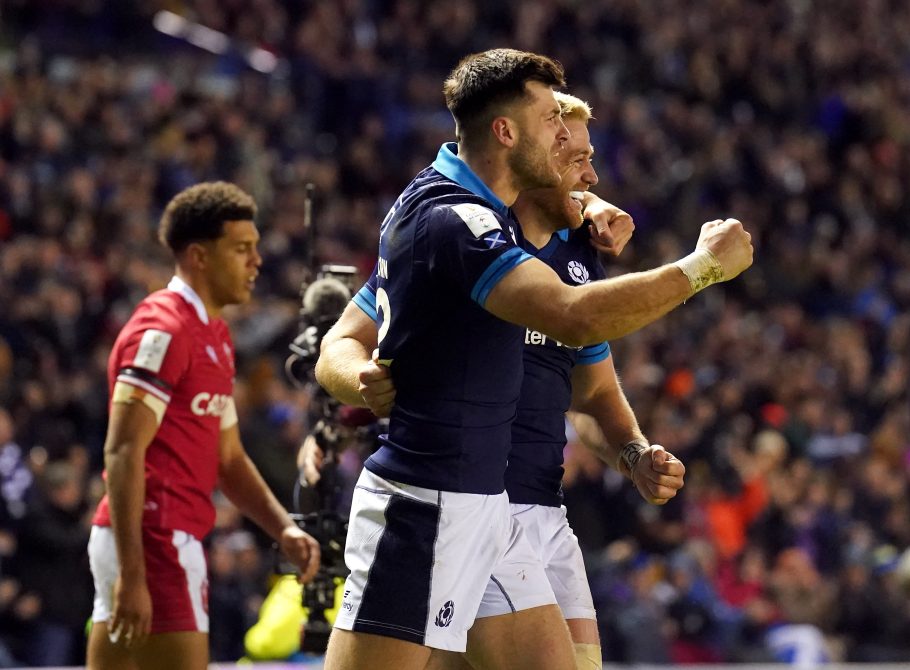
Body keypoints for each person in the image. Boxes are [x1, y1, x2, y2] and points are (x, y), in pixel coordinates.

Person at [314, 48, 752, 670]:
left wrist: (586, 207)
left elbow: (590, 370)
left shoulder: (498, 217)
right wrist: (702, 268)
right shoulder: (452, 220)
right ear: (505, 131)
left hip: (489, 507)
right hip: (422, 503)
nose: (566, 138)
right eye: (552, 122)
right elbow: (571, 313)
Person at [86, 182, 321, 670]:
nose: (256, 261)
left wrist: (283, 529)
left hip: (155, 538)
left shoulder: (213, 334)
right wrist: (134, 572)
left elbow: (228, 458)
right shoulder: (164, 330)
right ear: (199, 257)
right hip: (155, 538)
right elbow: (123, 452)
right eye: (241, 249)